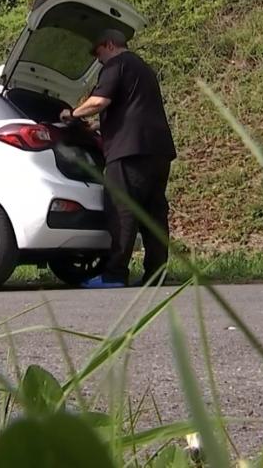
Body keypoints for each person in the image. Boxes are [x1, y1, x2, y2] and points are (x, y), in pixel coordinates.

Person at [59, 29, 177, 288]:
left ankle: (114, 275)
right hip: (158, 151)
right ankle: (156, 274)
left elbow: (98, 102)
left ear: (109, 45)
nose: (98, 59)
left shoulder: (115, 65)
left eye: (98, 52)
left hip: (128, 152)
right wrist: (97, 128)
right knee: (153, 214)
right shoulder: (143, 68)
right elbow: (132, 111)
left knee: (122, 211)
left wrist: (72, 114)